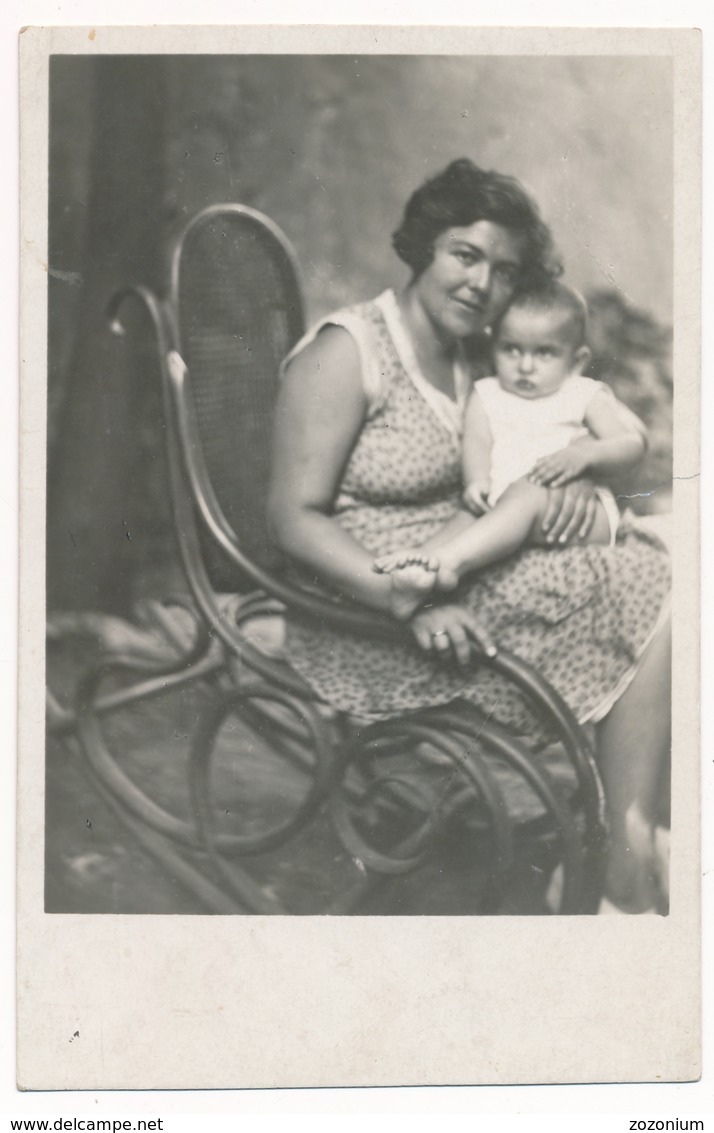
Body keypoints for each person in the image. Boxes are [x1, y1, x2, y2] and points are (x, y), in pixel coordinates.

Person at [268, 158, 671, 913]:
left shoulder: (470, 359)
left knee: (662, 559)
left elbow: (528, 453)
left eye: (504, 269)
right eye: (465, 254)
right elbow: (292, 519)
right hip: (374, 611)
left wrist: (577, 483)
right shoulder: (346, 351)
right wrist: (405, 601)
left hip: (465, 574)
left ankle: (630, 830)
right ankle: (625, 846)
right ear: (424, 246)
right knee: (656, 581)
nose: (482, 283)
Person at [371, 282, 647, 620]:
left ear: (577, 361)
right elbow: (478, 444)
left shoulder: (583, 393)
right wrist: (476, 481)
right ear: (493, 349)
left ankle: (449, 565)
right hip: (505, 508)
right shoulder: (487, 395)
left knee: (525, 493)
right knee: (470, 513)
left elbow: (630, 445)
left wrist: (585, 457)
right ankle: (412, 573)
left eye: (544, 352)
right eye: (511, 349)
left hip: (580, 518)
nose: (525, 365)